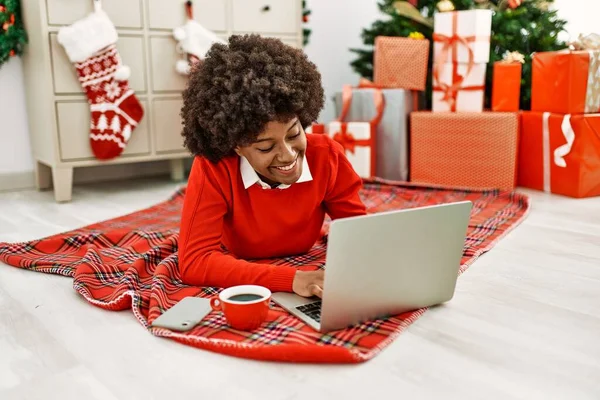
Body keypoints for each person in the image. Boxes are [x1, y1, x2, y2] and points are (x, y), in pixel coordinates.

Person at [178, 34, 366, 298]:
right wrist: (291, 280)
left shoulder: (327, 155)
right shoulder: (214, 167)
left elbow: (361, 233)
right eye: (266, 147)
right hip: (244, 261)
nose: (288, 155)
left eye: (294, 133)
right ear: (236, 146)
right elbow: (195, 262)